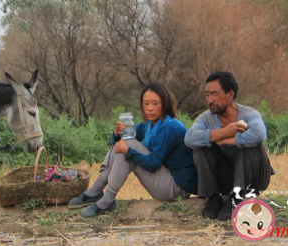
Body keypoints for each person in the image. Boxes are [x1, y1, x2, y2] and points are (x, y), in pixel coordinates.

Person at [68, 82, 198, 217]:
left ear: (165, 104)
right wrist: (117, 134)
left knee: (128, 145)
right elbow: (122, 143)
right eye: (146, 103)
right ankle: (96, 191)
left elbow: (153, 164)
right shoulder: (148, 125)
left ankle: (106, 200)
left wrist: (128, 150)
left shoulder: (169, 127)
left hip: (176, 187)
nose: (150, 108)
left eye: (155, 103)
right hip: (165, 179)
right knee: (126, 142)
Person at [184, 71, 272, 221]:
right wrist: (224, 132)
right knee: (200, 146)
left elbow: (259, 134)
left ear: (230, 95)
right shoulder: (205, 118)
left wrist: (227, 140)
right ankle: (213, 198)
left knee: (251, 144)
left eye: (215, 94)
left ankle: (237, 198)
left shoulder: (249, 114)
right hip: (225, 178)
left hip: (254, 180)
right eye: (207, 95)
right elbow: (189, 138)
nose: (210, 99)